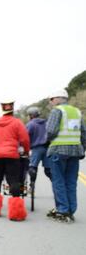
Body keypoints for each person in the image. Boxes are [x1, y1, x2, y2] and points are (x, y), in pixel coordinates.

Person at [45, 90, 86, 223]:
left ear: (57, 99)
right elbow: (83, 133)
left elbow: (51, 130)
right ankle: (70, 210)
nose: (50, 103)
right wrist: (82, 149)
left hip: (58, 150)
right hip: (75, 151)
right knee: (71, 182)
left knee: (58, 181)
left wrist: (47, 141)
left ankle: (62, 210)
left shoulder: (57, 111)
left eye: (51, 100)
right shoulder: (77, 111)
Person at [0, 100, 30, 221]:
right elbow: (25, 139)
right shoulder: (17, 123)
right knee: (14, 181)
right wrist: (26, 150)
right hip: (12, 155)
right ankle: (16, 213)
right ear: (12, 109)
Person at [26, 107, 52, 186]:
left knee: (33, 167)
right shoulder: (46, 123)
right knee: (48, 170)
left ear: (31, 115)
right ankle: (56, 185)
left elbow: (25, 137)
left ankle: (32, 184)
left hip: (36, 148)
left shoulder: (30, 124)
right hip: (47, 148)